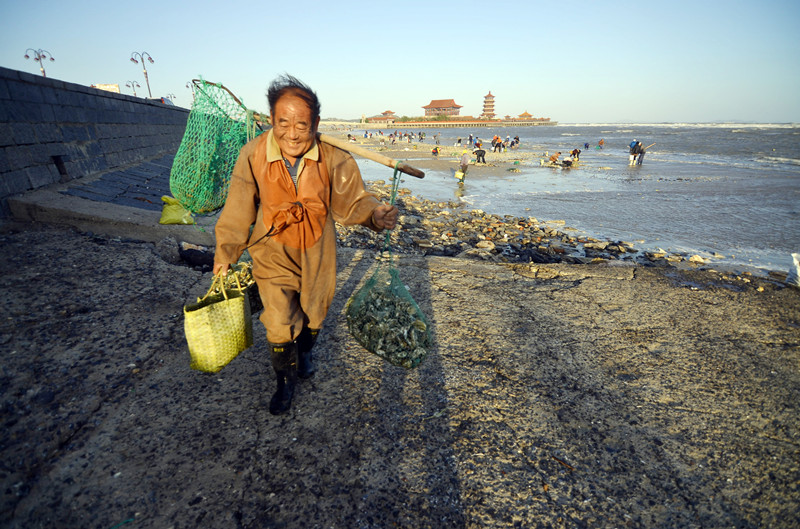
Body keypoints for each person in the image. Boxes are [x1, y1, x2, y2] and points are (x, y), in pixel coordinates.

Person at [212, 75, 399, 415]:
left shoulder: (332, 157)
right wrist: (226, 251)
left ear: (315, 124)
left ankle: (308, 350)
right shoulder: (252, 154)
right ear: (271, 120)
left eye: (302, 124)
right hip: (271, 248)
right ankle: (284, 382)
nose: (292, 133)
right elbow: (239, 205)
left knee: (315, 311)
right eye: (283, 123)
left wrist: (376, 215)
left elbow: (354, 199)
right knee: (278, 318)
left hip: (318, 249)